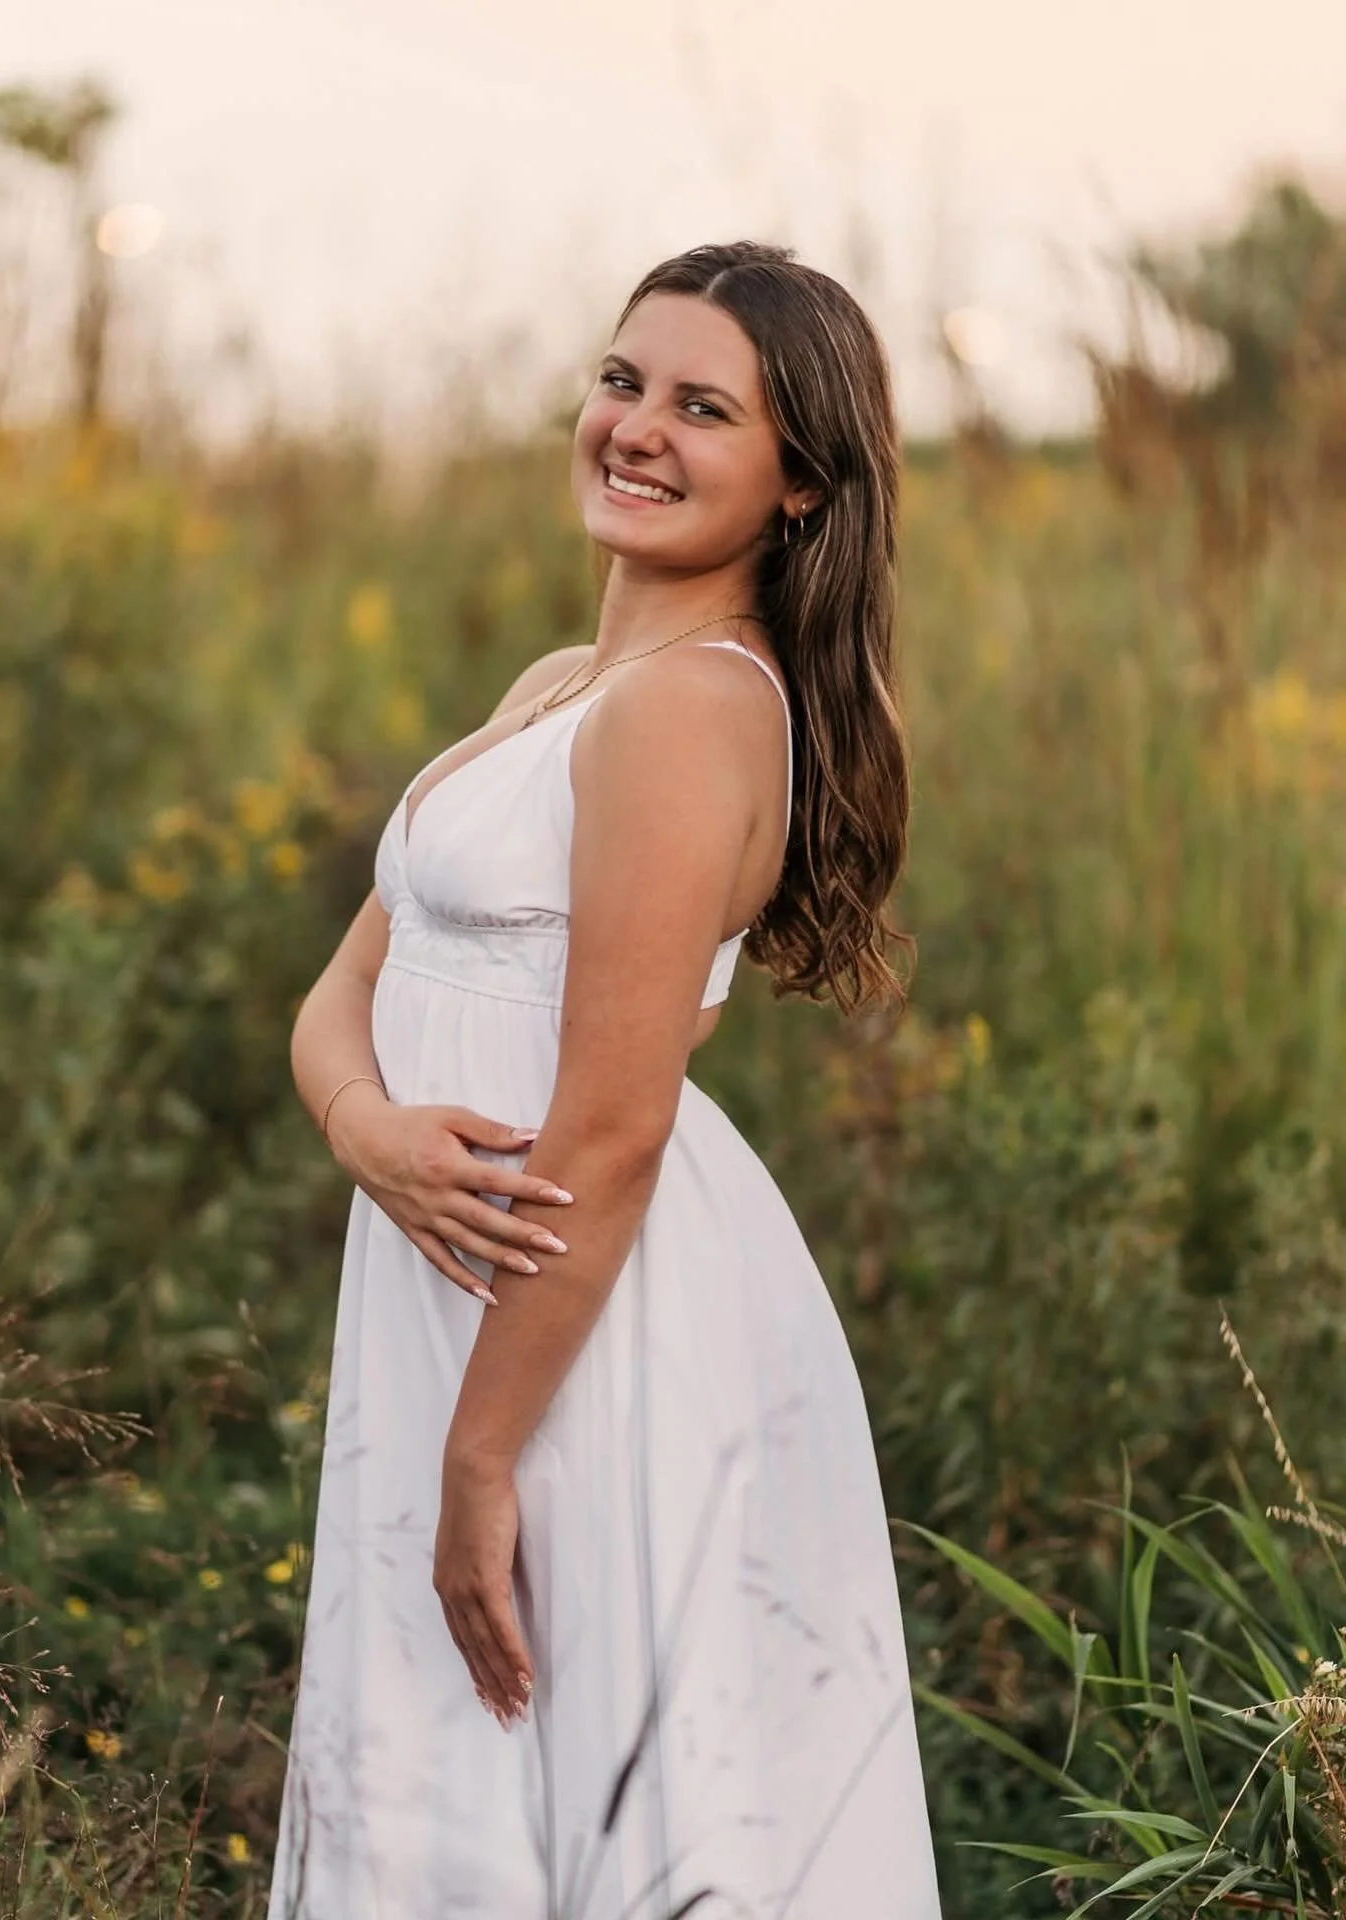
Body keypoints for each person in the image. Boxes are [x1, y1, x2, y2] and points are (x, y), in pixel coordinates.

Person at [267, 240, 941, 1920]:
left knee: (573, 1750)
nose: (637, 428)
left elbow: (620, 1125)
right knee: (455, 1749)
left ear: (798, 487)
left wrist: (484, 1459)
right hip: (465, 1277)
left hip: (584, 1323)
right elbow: (338, 996)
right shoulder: (560, 692)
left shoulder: (693, 713)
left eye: (704, 408)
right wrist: (369, 1134)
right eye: (623, 380)